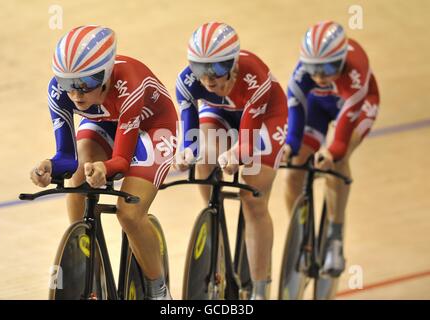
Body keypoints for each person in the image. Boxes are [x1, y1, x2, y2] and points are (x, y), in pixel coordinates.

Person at [30, 25, 177, 299]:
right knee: (78, 181)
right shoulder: (59, 91)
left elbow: (121, 160)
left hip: (153, 127)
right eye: (67, 83)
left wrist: (105, 169)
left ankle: (159, 290)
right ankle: (86, 259)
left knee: (129, 214)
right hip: (107, 123)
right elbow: (66, 157)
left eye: (86, 83)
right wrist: (50, 168)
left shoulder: (129, 82)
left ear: (107, 74)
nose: (76, 94)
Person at [174, 22, 288, 299]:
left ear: (233, 62)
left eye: (216, 70)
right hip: (221, 112)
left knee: (253, 199)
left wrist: (236, 154)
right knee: (206, 155)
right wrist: (186, 152)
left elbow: (248, 141)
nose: (208, 78)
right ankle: (213, 216)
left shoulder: (255, 76)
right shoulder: (187, 82)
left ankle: (261, 289)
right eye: (200, 68)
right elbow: (190, 135)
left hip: (265, 119)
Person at [282, 21, 380, 276]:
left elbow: (339, 140)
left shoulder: (356, 71)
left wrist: (332, 152)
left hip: (357, 106)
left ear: (341, 61)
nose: (318, 76)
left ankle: (335, 237)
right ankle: (302, 236)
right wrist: (290, 147)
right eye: (312, 68)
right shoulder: (302, 73)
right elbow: (294, 123)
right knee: (293, 170)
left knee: (339, 158)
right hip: (318, 104)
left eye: (326, 68)